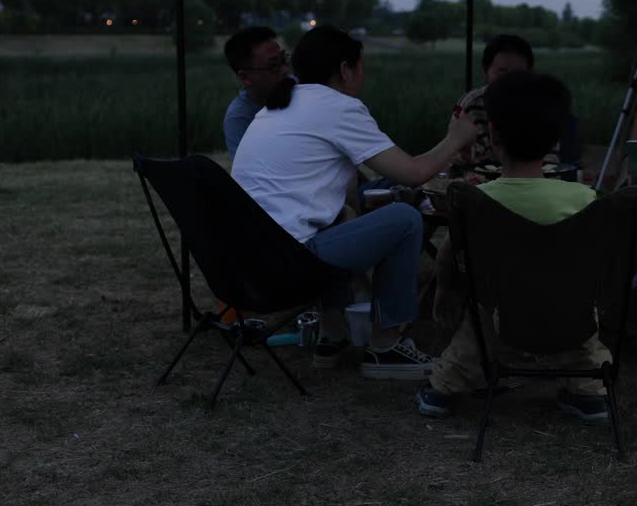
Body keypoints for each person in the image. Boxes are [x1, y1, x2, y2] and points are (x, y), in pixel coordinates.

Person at [231, 26, 477, 378]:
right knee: (405, 219)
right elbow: (412, 172)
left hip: (245, 264)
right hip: (287, 266)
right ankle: (387, 345)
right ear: (345, 69)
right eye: (360, 67)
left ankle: (332, 337)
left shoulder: (276, 108)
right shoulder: (339, 108)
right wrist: (456, 139)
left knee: (341, 215)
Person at [416, 71, 612, 423]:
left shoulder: (476, 200)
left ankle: (441, 391)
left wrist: (444, 289)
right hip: (570, 314)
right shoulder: (584, 198)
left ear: (492, 135)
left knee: (476, 325)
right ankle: (590, 393)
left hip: (500, 315)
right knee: (581, 329)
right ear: (555, 140)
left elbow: (449, 252)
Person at [451, 34, 580, 172]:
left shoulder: (542, 105)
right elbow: (459, 155)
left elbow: (551, 161)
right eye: (502, 73)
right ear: (485, 70)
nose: (509, 82)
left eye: (518, 74)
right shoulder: (468, 104)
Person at [221, 26, 292, 158]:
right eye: (274, 66)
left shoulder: (300, 88)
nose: (285, 70)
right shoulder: (239, 119)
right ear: (245, 77)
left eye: (284, 59)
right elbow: (249, 172)